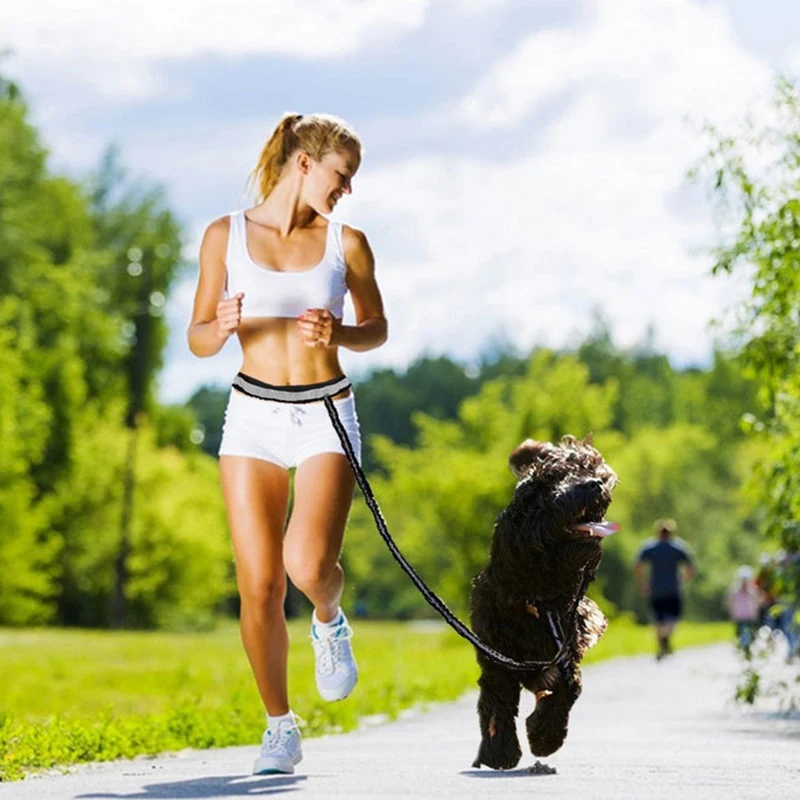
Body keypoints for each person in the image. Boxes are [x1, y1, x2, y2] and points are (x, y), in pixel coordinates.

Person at [187, 112, 387, 775]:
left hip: (326, 413)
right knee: (260, 583)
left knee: (306, 566)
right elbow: (197, 337)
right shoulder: (224, 235)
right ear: (305, 163)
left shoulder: (347, 243)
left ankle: (329, 615)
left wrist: (340, 333)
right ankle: (280, 726)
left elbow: (377, 327)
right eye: (342, 175)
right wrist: (218, 326)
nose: (347, 189)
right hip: (252, 416)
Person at [633, 519, 696, 660]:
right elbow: (691, 567)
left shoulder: (650, 547)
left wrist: (644, 582)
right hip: (673, 589)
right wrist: (683, 578)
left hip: (655, 589)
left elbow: (637, 565)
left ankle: (662, 644)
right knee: (673, 618)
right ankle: (665, 638)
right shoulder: (678, 547)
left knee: (657, 620)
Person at [726, 566, 761, 655]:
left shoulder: (752, 590)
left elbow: (757, 601)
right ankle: (744, 647)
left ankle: (747, 647)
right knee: (740, 633)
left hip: (750, 616)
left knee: (751, 633)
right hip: (739, 616)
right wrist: (731, 613)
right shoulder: (735, 590)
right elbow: (730, 602)